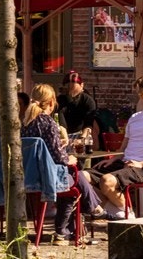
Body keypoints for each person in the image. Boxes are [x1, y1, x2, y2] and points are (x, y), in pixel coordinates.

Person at [89, 74, 143, 220]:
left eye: (142, 93)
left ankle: (125, 213)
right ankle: (119, 210)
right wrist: (113, 159)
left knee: (106, 181)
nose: (139, 97)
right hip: (125, 162)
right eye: (138, 93)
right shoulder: (134, 118)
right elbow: (124, 149)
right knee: (81, 177)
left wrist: (142, 163)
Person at [22, 83, 102, 241]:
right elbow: (58, 157)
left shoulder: (25, 125)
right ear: (52, 102)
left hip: (29, 176)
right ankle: (89, 212)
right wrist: (69, 158)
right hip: (47, 177)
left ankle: (67, 229)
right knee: (74, 178)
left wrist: (60, 146)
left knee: (75, 177)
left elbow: (43, 151)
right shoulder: (48, 123)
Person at [57, 71, 96, 141]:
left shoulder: (88, 100)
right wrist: (65, 138)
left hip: (81, 133)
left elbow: (88, 124)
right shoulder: (60, 100)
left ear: (82, 85)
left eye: (73, 88)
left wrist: (82, 139)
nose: (70, 91)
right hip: (63, 134)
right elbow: (61, 122)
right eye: (68, 88)